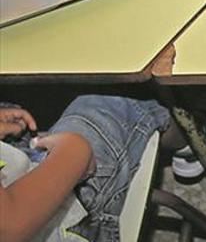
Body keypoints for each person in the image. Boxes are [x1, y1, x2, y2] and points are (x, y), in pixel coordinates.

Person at [0, 95, 173, 242]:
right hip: (56, 219)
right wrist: (75, 150)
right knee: (99, 108)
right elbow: (10, 225)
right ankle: (184, 135)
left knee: (13, 114)